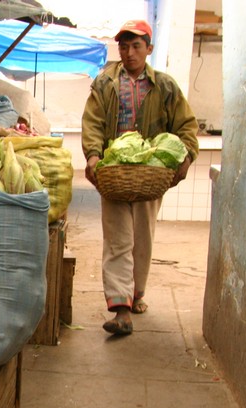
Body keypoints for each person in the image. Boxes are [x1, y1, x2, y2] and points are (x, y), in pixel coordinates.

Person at [81, 19, 198, 336]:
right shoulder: (105, 84)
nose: (129, 52)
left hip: (149, 175)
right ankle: (121, 309)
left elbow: (187, 126)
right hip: (114, 173)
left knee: (142, 240)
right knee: (118, 241)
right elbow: (92, 123)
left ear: (149, 48)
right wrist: (93, 155)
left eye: (136, 46)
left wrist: (185, 157)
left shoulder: (166, 87)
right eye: (123, 46)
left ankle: (137, 294)